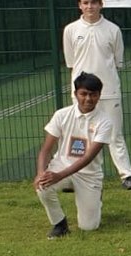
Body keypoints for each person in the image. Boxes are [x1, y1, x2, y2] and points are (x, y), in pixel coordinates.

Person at [62, 0, 131, 189]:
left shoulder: (113, 29)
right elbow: (71, 62)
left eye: (94, 2)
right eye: (86, 3)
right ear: (80, 5)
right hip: (80, 93)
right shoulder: (70, 30)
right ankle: (75, 176)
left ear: (101, 4)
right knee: (80, 135)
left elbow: (117, 60)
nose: (90, 6)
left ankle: (127, 176)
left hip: (109, 91)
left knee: (114, 134)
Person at [34, 72, 112, 238]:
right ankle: (60, 224)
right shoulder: (61, 115)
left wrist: (59, 176)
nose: (88, 99)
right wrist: (41, 174)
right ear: (75, 94)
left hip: (89, 174)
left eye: (93, 94)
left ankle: (96, 198)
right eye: (83, 94)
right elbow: (45, 150)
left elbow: (88, 157)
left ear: (99, 95)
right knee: (42, 185)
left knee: (89, 227)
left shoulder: (105, 121)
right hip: (61, 165)